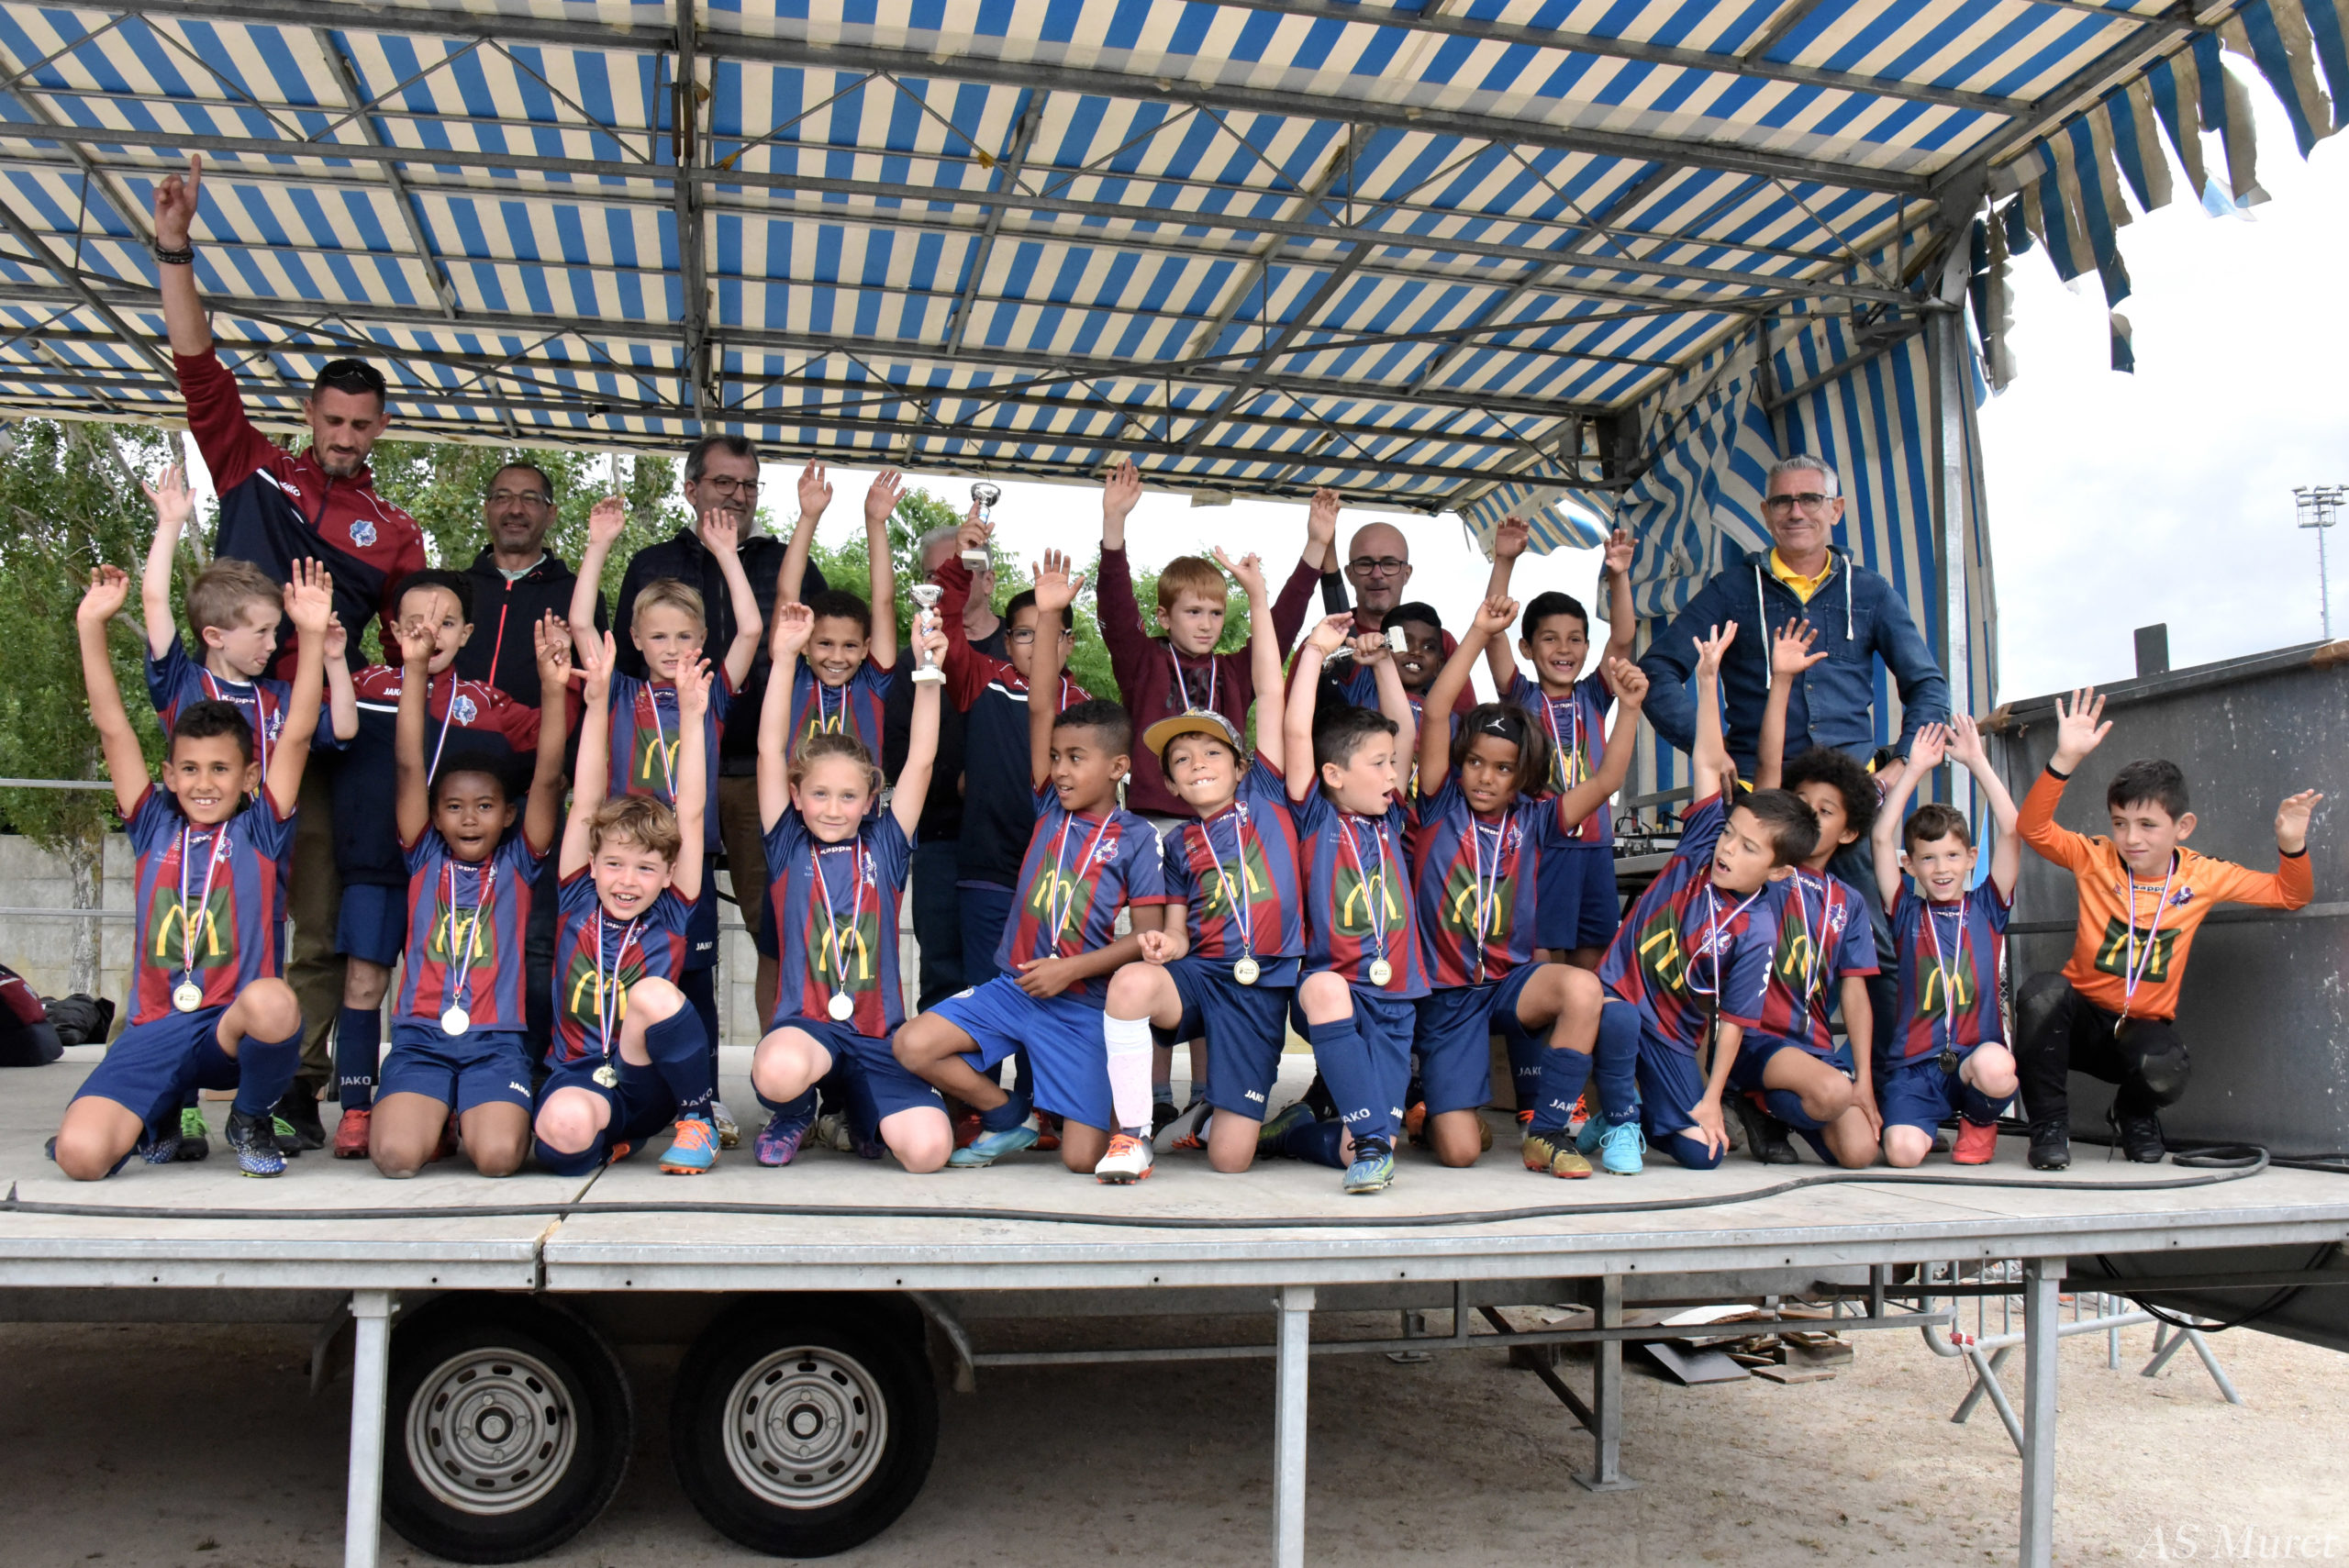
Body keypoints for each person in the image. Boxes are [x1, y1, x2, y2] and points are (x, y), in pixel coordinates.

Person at [153, 153, 430, 1151]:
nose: (346, 435)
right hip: (227, 729)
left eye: (362, 424)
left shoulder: (397, 532)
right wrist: (175, 248)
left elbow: (407, 647)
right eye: (332, 419)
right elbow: (197, 364)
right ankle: (170, 1082)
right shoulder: (252, 469)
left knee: (316, 917)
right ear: (308, 415)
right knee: (206, 914)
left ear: (380, 427)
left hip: (321, 738)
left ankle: (292, 1086)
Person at [892, 551, 1171, 1176]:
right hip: (1013, 989)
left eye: (1077, 759)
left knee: (1080, 1159)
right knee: (912, 1044)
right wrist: (1046, 615)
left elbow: (1146, 942)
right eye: (1056, 757)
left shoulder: (1136, 837)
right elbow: (1041, 703)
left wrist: (1071, 969)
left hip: (1078, 1004)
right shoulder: (1048, 801)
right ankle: (1009, 1114)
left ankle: (1109, 1111)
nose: (1061, 769)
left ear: (1118, 767)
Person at [50, 562, 330, 1180]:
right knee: (81, 1157)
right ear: (170, 776)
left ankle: (250, 1116)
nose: (205, 784)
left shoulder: (261, 829)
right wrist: (91, 626)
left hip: (226, 1030)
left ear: (249, 777)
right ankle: (163, 1117)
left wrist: (311, 636)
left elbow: (298, 733)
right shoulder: (153, 823)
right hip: (157, 1028)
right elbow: (113, 727)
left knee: (274, 1001)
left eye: (221, 770)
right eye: (191, 770)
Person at [139, 463, 356, 1158]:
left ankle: (255, 1106)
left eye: (275, 632)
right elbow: (154, 603)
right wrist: (170, 525)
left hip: (259, 862)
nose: (272, 644)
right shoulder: (183, 683)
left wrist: (329, 655)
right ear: (214, 635)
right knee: (174, 970)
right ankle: (172, 1105)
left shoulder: (276, 699)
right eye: (261, 632)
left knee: (260, 978)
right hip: (184, 869)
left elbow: (341, 727)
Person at [2013, 688, 2320, 1170]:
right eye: (2120, 823)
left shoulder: (2203, 875)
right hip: (2078, 1024)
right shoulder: (2096, 857)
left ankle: (2133, 1113)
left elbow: (2290, 894)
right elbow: (2033, 830)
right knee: (2041, 994)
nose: (2131, 838)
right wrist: (2064, 759)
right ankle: (2049, 1127)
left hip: (2139, 1031)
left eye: (2147, 825)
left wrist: (2291, 842)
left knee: (2168, 1065)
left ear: (2184, 826)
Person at [610, 443, 828, 1076]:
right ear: (691, 487)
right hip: (665, 787)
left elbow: (817, 649)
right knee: (658, 935)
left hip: (764, 773)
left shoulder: (780, 558)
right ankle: (656, 1082)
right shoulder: (654, 562)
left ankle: (781, 1076)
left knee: (775, 930)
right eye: (723, 482)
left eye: (749, 485)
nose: (737, 495)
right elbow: (619, 661)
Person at [1412, 595, 1649, 1176]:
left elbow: (1607, 779)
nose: (1485, 778)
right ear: (1459, 763)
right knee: (1461, 1153)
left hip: (1507, 983)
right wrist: (1477, 632)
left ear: (1523, 776)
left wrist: (1630, 709)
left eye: (1503, 768)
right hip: (1448, 995)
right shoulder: (1440, 805)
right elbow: (1438, 710)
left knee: (1583, 989)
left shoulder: (1536, 819)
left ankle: (1546, 1133)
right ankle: (1430, 1118)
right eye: (1475, 763)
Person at [1096, 550, 1300, 1182]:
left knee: (1230, 1161)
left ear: (1241, 764)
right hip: (1206, 975)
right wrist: (1164, 943)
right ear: (1171, 784)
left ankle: (1258, 1120)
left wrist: (1258, 596)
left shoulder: (1266, 797)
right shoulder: (1180, 845)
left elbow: (1270, 688)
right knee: (1131, 981)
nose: (1197, 764)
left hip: (1258, 988)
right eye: (1181, 760)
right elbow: (1179, 932)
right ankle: (1132, 1133)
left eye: (1212, 752)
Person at [1576, 624, 1807, 1174]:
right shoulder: (1703, 843)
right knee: (1616, 1017)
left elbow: (1734, 1022)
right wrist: (1707, 680)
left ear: (1778, 871)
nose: (1728, 849)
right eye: (1731, 833)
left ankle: (1629, 1115)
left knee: (1705, 1153)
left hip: (1672, 1034)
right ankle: (1623, 1116)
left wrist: (1711, 1100)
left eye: (1748, 848)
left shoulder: (1758, 930)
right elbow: (1706, 762)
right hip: (1617, 994)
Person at [329, 571, 541, 1158]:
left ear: (466, 633)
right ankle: (357, 1106)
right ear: (393, 629)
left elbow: (550, 754)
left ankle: (457, 1101)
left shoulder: (488, 702)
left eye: (446, 622)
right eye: (417, 622)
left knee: (454, 974)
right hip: (379, 860)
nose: (431, 632)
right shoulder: (364, 684)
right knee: (365, 979)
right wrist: (329, 655)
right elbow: (315, 733)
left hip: (457, 873)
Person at [577, 491, 765, 1145]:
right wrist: (598, 546)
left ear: (702, 641)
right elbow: (581, 626)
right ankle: (614, 1089)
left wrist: (726, 554)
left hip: (685, 866)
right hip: (627, 866)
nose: (672, 647)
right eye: (658, 636)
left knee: (693, 982)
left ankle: (702, 1101)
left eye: (685, 636)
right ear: (635, 639)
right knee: (619, 980)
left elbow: (751, 630)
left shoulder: (708, 694)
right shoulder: (619, 690)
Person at [747, 604, 954, 1172]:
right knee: (778, 1070)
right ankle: (794, 1111)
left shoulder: (885, 844)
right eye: (819, 794)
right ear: (796, 796)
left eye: (847, 797)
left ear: (869, 801)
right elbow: (769, 751)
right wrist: (784, 658)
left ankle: (860, 1114)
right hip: (807, 1028)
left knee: (928, 1153)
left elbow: (922, 761)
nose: (833, 809)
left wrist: (928, 672)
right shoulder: (787, 842)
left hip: (876, 1034)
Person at [370, 613, 570, 1179]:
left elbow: (548, 778)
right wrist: (414, 669)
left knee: (499, 1159)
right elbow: (409, 764)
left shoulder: (519, 862)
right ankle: (435, 1113)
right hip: (421, 1038)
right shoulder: (424, 855)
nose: (469, 819)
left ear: (507, 815)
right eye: (454, 807)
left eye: (485, 807)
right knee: (396, 1159)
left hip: (495, 1042)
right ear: (435, 816)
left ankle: (465, 1113)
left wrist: (553, 690)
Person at [532, 634, 719, 1178]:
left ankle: (697, 1120)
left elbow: (690, 812)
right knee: (559, 1144)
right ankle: (611, 1141)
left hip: (646, 1079)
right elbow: (585, 803)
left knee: (653, 994)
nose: (627, 881)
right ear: (592, 864)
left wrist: (692, 716)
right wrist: (595, 704)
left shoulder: (671, 909)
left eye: (645, 869)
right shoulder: (576, 895)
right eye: (614, 864)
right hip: (581, 1073)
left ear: (668, 875)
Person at [1635, 455, 1947, 773]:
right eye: (1782, 502)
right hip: (1756, 789)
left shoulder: (1870, 591)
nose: (1796, 512)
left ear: (1836, 509)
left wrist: (1903, 762)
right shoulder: (1730, 590)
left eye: (1811, 499)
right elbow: (1655, 670)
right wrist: (1706, 745)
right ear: (1766, 513)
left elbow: (1928, 688)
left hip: (1852, 788)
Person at [453, 461, 610, 1081]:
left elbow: (594, 692)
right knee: (457, 939)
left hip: (539, 795)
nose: (515, 508)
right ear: (486, 508)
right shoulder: (455, 589)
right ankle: (452, 1066)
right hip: (457, 804)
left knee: (541, 940)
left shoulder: (576, 596)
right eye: (502, 496)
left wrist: (568, 773)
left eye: (529, 498)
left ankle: (539, 1071)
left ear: (550, 512)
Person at [1268, 613, 1425, 1195]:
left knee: (1357, 1144)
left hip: (1395, 992)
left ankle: (1296, 1135)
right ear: (1333, 774)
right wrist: (1313, 652)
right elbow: (1295, 732)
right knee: (1326, 989)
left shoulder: (1392, 815)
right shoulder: (1315, 812)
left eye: (1392, 764)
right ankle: (1372, 1142)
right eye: (1378, 765)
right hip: (1334, 986)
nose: (1391, 772)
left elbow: (1406, 732)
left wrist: (1383, 663)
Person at [1727, 618, 1885, 1168]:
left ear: (1850, 832)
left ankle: (1769, 1109)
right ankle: (1746, 1092)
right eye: (1803, 804)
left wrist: (1865, 1081)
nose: (1811, 817)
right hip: (1755, 1039)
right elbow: (1769, 769)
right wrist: (1783, 682)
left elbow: (1857, 996)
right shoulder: (1770, 869)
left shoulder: (1849, 902)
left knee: (1860, 1151)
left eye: (1826, 811)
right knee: (1831, 1093)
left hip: (1813, 1047)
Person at [1096, 465, 1329, 825]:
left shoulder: (1234, 671)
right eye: (1193, 612)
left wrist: (1316, 546)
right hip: (1156, 821)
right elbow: (1116, 608)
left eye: (1216, 613)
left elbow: (1280, 630)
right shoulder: (1143, 660)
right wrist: (1114, 522)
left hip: (1224, 820)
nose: (1206, 624)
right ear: (1164, 616)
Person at [932, 517, 1090, 999]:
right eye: (1025, 634)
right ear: (1005, 641)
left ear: (1069, 642)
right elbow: (945, 624)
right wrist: (960, 563)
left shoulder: (1085, 708)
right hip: (988, 871)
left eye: (1050, 631)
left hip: (1058, 875)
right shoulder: (984, 678)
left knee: (1050, 996)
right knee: (987, 996)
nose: (1037, 644)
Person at [1483, 517, 1639, 972]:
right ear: (1528, 648)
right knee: (1543, 957)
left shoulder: (1595, 694)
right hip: (1541, 845)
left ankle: (1584, 1017)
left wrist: (1618, 576)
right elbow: (1492, 631)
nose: (1564, 649)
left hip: (1595, 847)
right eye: (1549, 639)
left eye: (1575, 640)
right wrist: (1504, 562)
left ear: (1588, 647)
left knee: (1593, 956)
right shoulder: (1521, 697)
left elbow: (1624, 637)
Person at [1869, 717, 2021, 1168]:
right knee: (1901, 1154)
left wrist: (1977, 762)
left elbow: (2012, 831)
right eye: (1929, 858)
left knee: (1998, 1068)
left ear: (1971, 858)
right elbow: (1880, 837)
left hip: (1974, 1057)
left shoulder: (1988, 905)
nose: (1941, 869)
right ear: (1910, 865)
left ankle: (1979, 1121)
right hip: (1916, 1066)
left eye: (1953, 856)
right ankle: (1925, 1121)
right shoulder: (1905, 911)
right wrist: (1914, 768)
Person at [882, 525, 1010, 1013]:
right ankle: (942, 1065)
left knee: (1012, 975)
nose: (945, 583)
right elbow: (896, 753)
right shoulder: (911, 660)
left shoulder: (1023, 646)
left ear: (989, 580)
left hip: (1012, 844)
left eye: (960, 569)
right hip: (940, 838)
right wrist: (955, 782)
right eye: (934, 574)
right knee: (941, 972)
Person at [776, 466, 900, 766]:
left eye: (850, 646)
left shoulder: (873, 682)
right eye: (825, 643)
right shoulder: (791, 676)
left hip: (860, 800)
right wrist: (808, 517)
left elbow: (883, 603)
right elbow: (786, 595)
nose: (837, 657)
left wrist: (875, 522)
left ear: (866, 648)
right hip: (795, 799)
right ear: (804, 644)